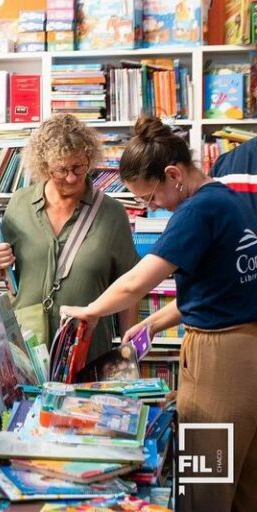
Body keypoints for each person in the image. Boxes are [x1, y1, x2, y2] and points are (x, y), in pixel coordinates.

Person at [61, 116, 257, 512]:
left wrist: (91, 311)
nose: (152, 208)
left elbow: (136, 283)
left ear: (173, 174)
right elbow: (217, 291)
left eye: (150, 198)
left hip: (220, 363)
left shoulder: (196, 211)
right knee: (244, 485)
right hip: (246, 353)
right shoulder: (227, 197)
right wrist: (153, 322)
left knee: (204, 484)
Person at [0, 114, 138, 361]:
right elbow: (2, 274)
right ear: (44, 167)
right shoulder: (20, 203)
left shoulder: (112, 214)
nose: (72, 178)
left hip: (88, 351)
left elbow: (130, 286)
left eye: (79, 167)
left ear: (90, 158)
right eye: (61, 170)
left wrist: (128, 353)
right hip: (28, 350)